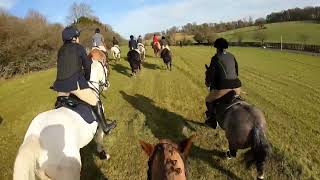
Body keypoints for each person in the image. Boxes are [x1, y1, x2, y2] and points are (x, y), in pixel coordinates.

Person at [53, 26, 116, 134]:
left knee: (59, 105)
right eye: (77, 37)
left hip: (60, 87)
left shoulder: (60, 50)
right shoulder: (79, 48)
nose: (78, 39)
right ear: (74, 38)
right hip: (74, 84)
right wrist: (86, 77)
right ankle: (105, 127)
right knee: (96, 102)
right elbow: (87, 66)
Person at [204, 38, 241, 129]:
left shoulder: (215, 58)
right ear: (226, 47)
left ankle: (212, 120)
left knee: (208, 99)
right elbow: (236, 72)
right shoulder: (232, 56)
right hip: (237, 87)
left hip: (224, 88)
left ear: (216, 48)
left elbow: (211, 75)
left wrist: (209, 83)